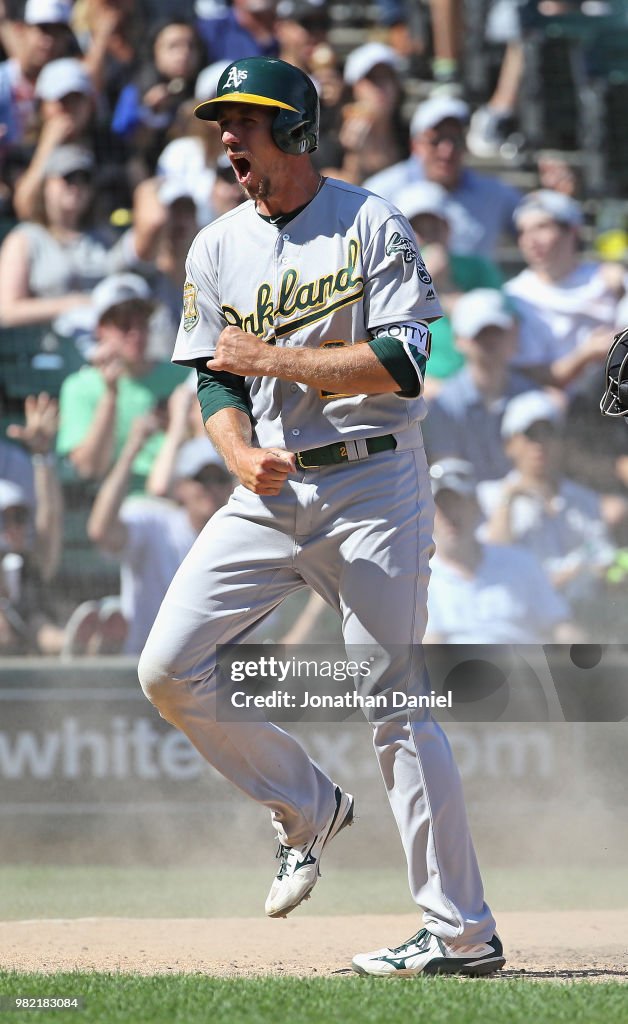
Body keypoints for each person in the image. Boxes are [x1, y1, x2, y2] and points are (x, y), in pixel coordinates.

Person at [138, 56, 505, 978]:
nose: (228, 137)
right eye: (221, 122)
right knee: (168, 669)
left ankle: (462, 934)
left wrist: (276, 360)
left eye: (247, 122)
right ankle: (307, 807)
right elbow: (216, 374)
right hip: (269, 490)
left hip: (375, 485)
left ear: (296, 132)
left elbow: (407, 363)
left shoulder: (371, 219)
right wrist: (233, 450)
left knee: (396, 705)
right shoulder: (218, 243)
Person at [87, 413, 232, 654]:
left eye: (219, 478)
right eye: (202, 478)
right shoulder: (153, 521)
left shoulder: (241, 539)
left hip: (209, 677)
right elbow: (101, 531)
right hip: (140, 670)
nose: (211, 488)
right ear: (180, 487)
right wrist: (131, 450)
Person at [479, 390, 616, 620]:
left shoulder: (585, 499)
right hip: (524, 621)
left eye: (548, 433)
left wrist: (584, 572)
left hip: (585, 613)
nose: (540, 444)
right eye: (530, 434)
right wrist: (509, 499)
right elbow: (491, 564)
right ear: (509, 444)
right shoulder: (488, 496)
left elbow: (605, 559)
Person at [425, 458, 578, 644]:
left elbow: (560, 626)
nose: (451, 515)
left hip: (526, 667)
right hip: (453, 669)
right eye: (441, 506)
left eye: (458, 503)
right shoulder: (418, 580)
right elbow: (428, 651)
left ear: (476, 506)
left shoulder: (520, 563)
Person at [55, 272, 188, 484]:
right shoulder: (79, 387)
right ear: (100, 330)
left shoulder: (182, 375)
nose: (136, 333)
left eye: (142, 322)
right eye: (124, 324)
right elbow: (89, 468)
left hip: (180, 494)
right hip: (115, 505)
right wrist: (110, 394)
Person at [363, 94, 521, 259]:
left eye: (455, 140)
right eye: (435, 141)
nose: (446, 152)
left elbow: (532, 220)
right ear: (415, 145)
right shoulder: (379, 192)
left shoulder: (494, 194)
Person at [504, 190, 625, 392]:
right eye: (523, 231)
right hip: (555, 403)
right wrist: (587, 354)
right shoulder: (515, 296)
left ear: (573, 231)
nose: (530, 240)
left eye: (542, 227)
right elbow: (537, 377)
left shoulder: (608, 279)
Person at [395, 181, 503, 389]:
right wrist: (422, 281)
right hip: (418, 389)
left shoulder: (478, 269)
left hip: (478, 384)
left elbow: (499, 328)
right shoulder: (386, 277)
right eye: (417, 228)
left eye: (434, 227)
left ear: (448, 228)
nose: (427, 237)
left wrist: (443, 285)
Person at [422, 289, 536, 481]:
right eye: (480, 333)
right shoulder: (443, 405)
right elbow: (447, 477)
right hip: (464, 505)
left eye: (496, 331)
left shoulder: (532, 397)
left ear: (511, 334)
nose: (490, 340)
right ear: (459, 340)